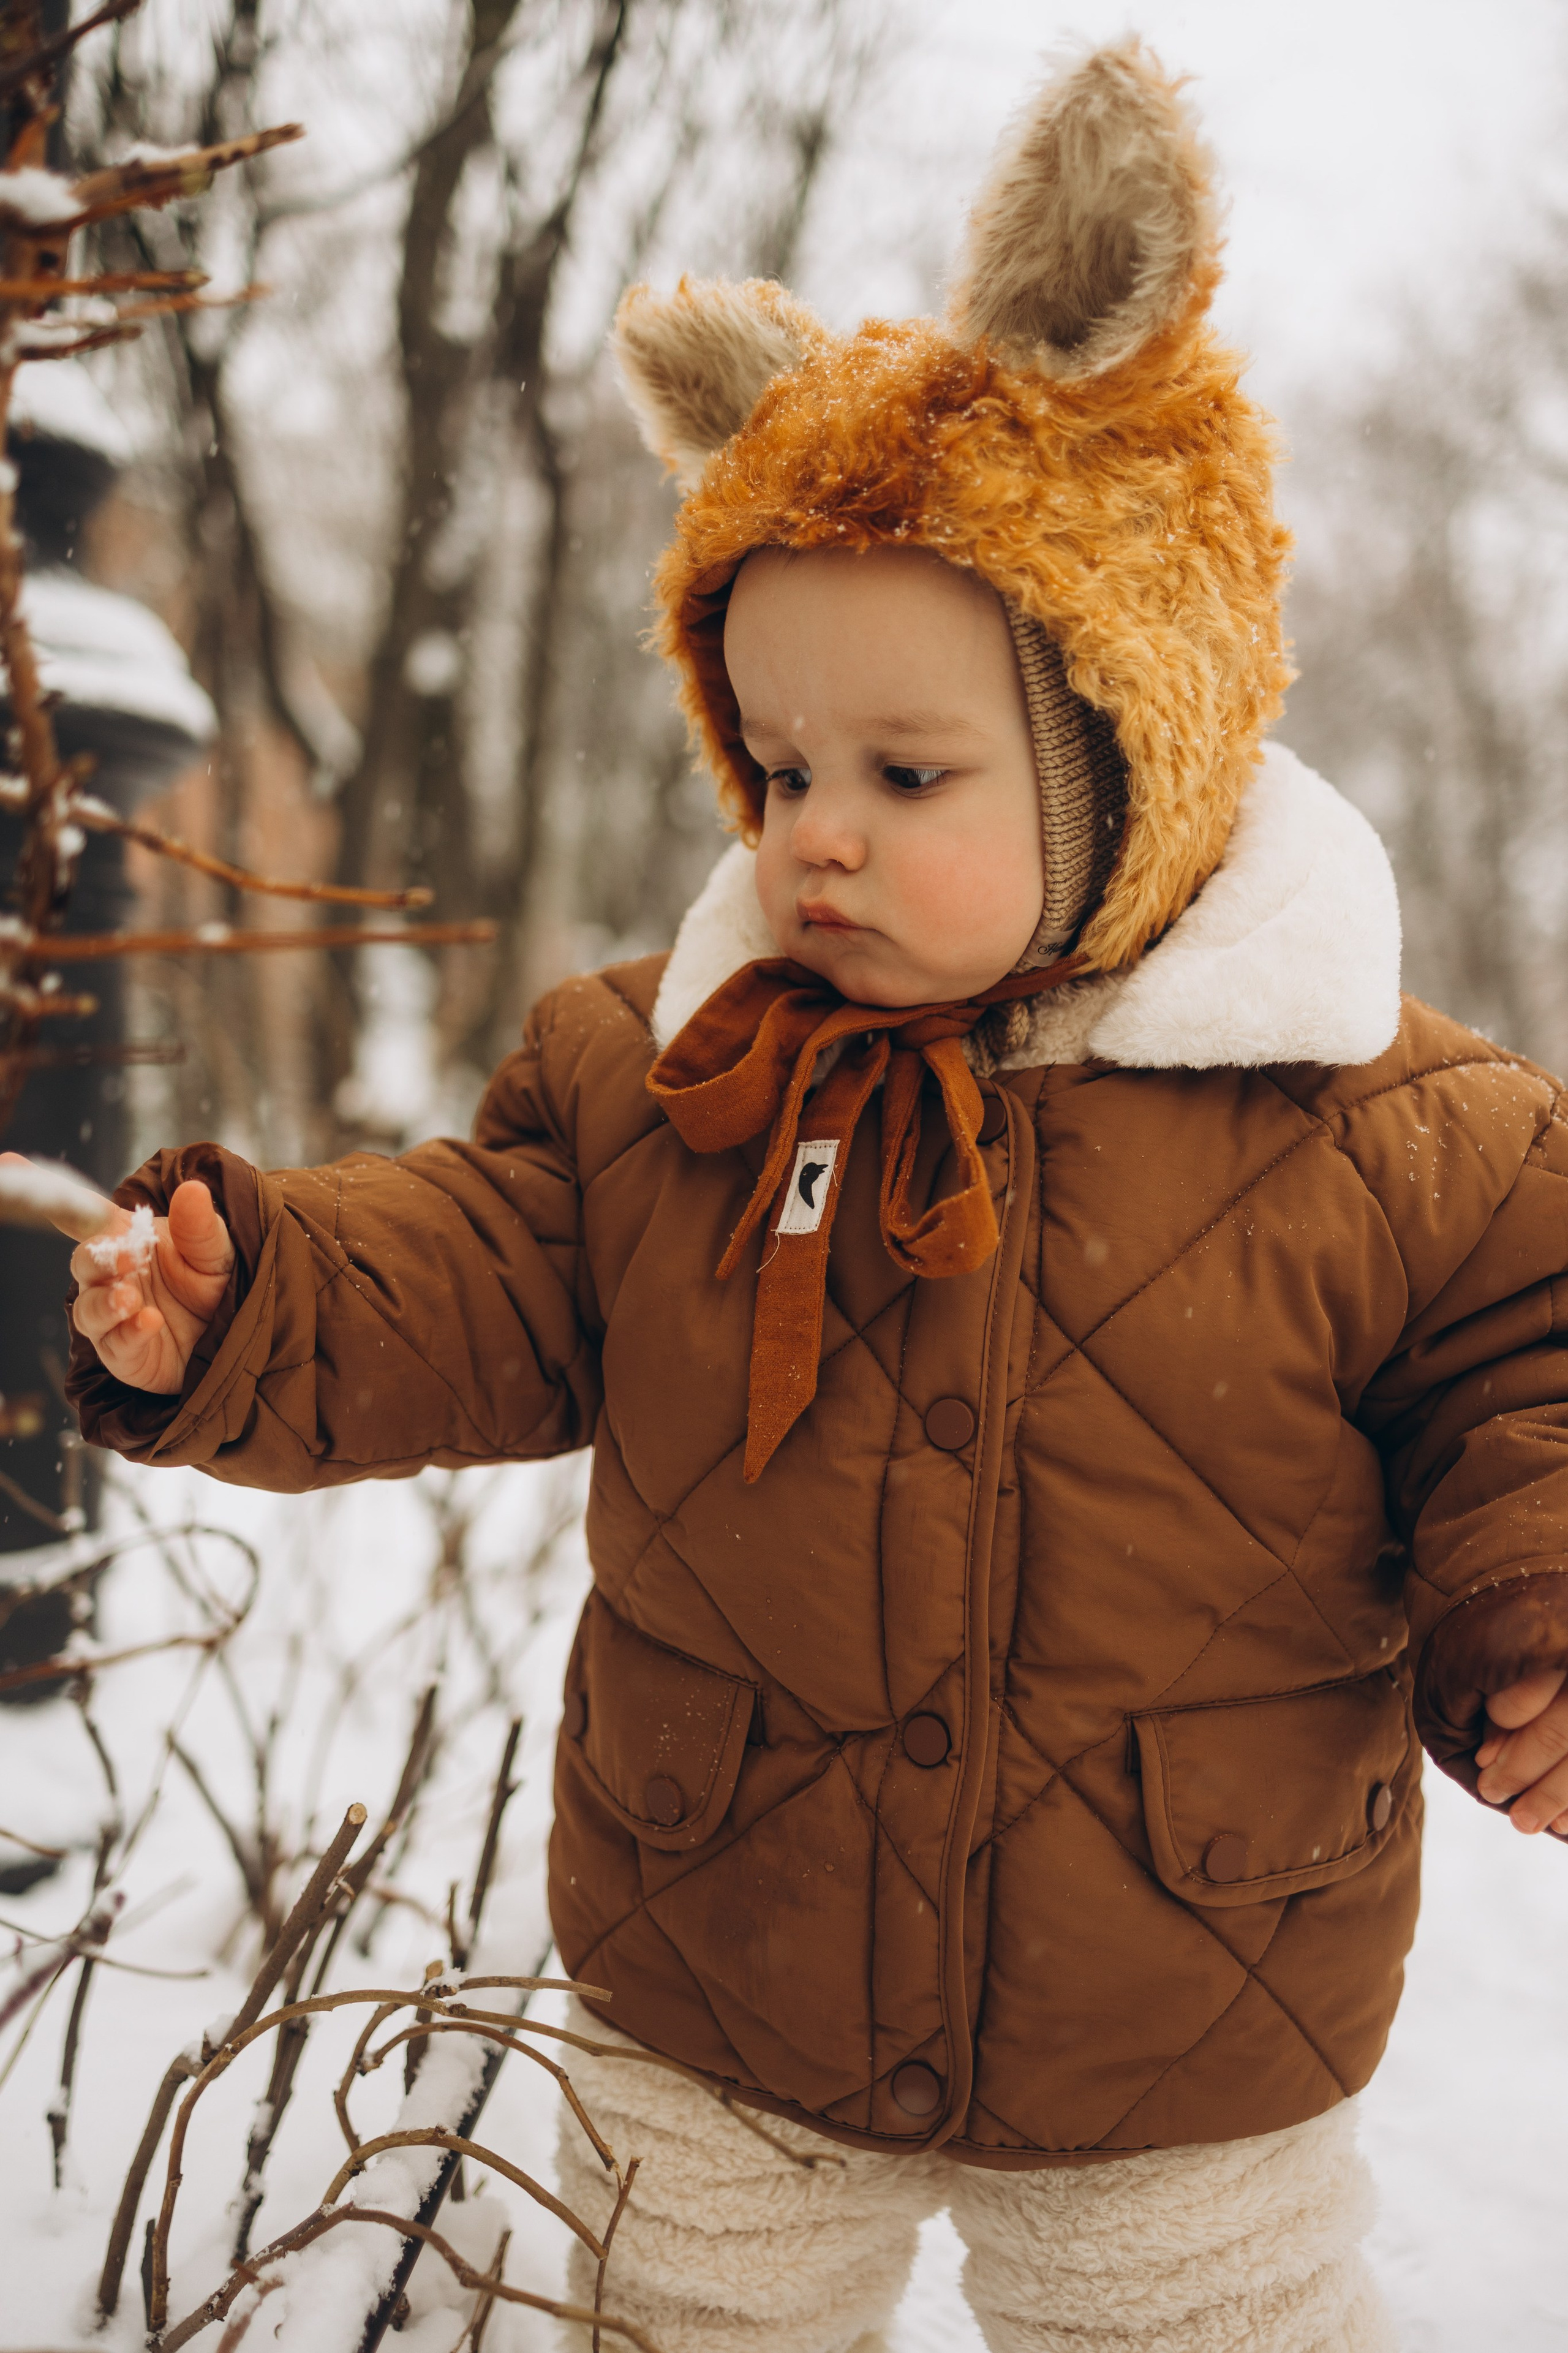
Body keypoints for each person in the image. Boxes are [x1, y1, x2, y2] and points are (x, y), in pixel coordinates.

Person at [24, 40, 1568, 2353]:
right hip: (719, 1956)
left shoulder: (1396, 1131)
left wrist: (1539, 1610)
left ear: (1133, 745)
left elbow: (1529, 1387)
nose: (811, 824)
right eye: (775, 760)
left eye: (906, 768)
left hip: (1187, 2000)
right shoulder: (668, 1074)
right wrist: (261, 1300)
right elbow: (485, 1262)